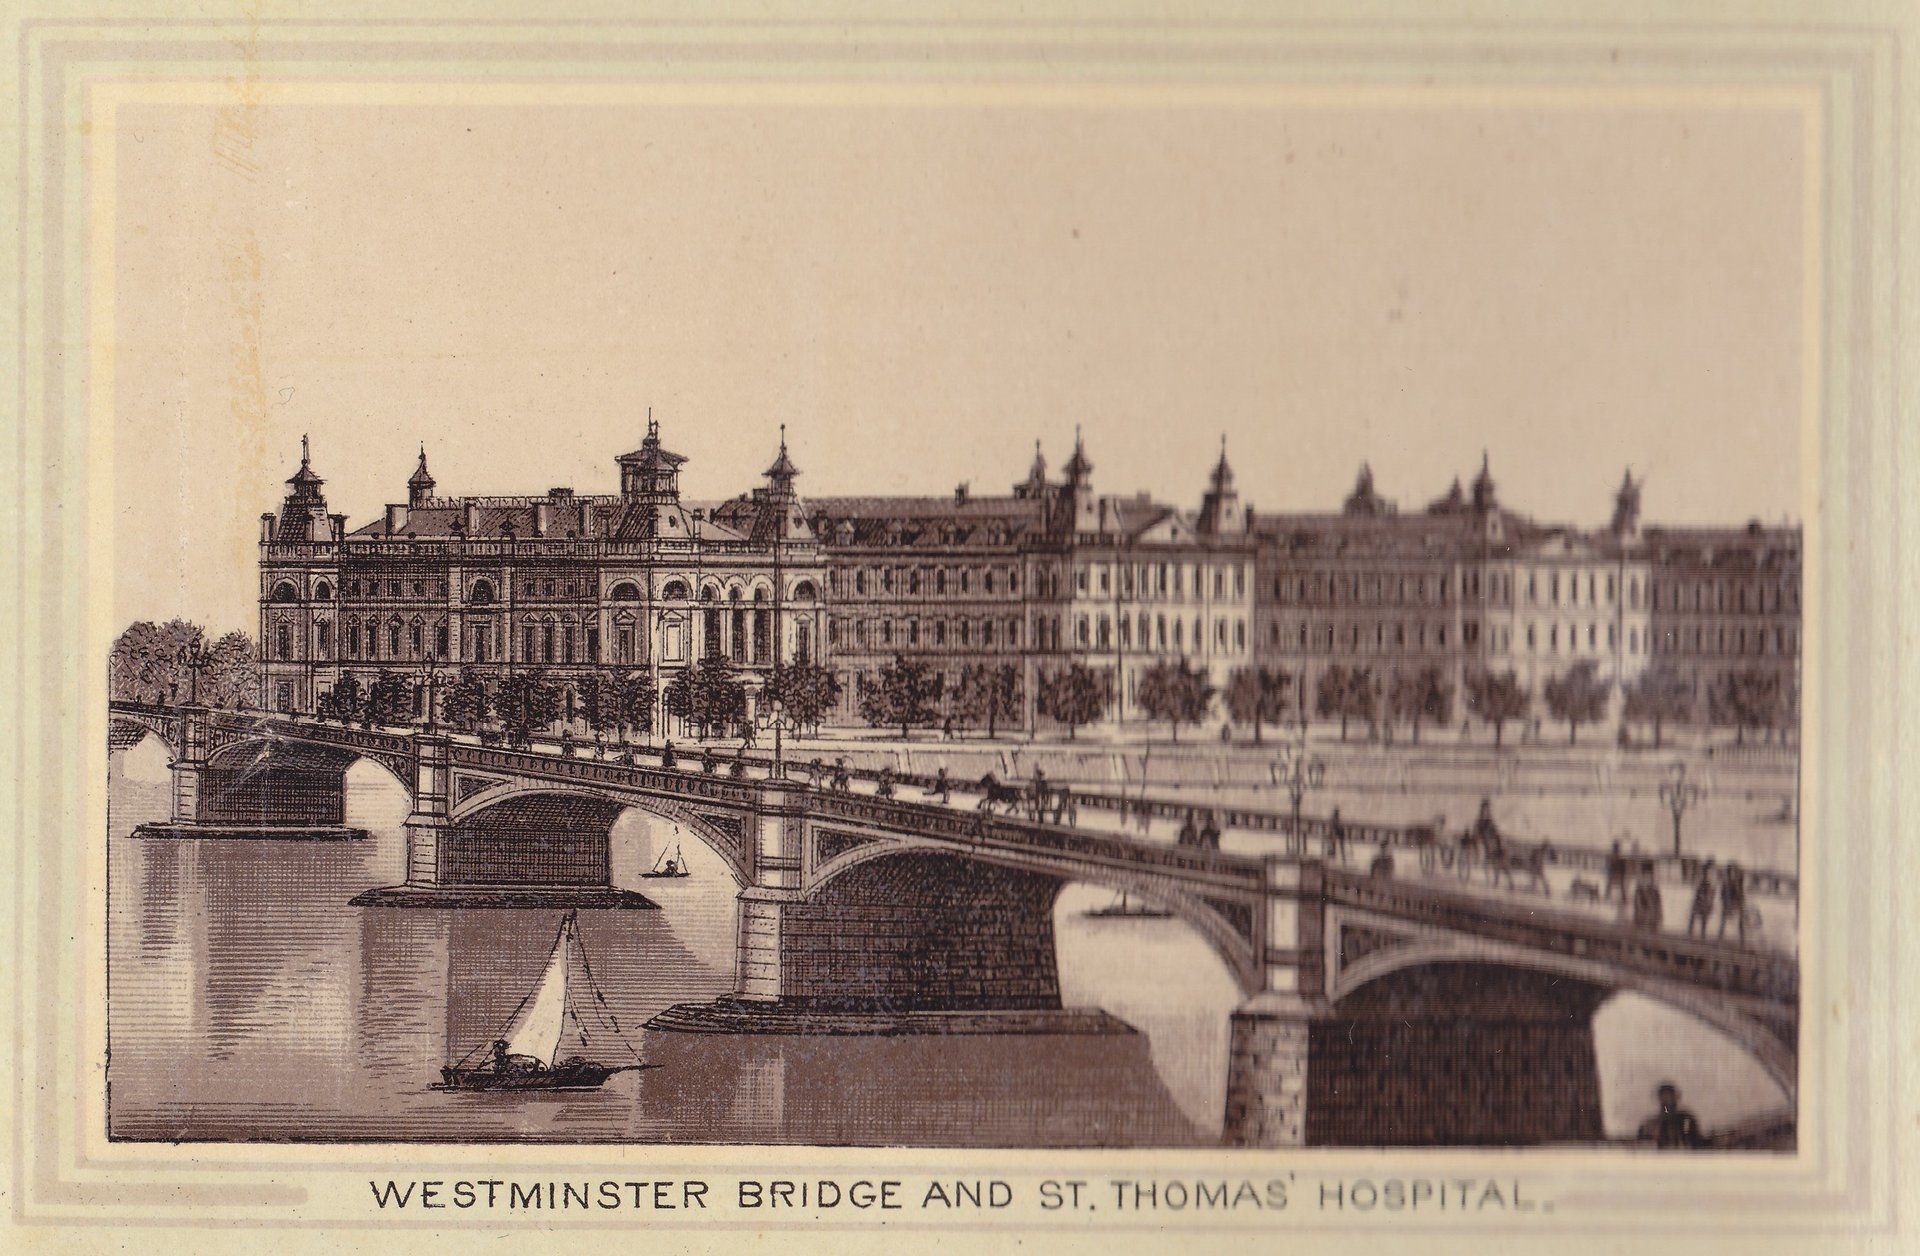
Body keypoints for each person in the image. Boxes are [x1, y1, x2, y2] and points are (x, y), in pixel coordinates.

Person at [1637, 1083, 1706, 1149]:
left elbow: (1696, 1143)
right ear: (1659, 1099)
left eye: (1670, 1096)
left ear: (1676, 1098)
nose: (1667, 1099)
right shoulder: (1649, 1125)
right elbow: (1643, 1145)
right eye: (1663, 1096)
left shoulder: (1687, 1120)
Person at [1686, 859, 1719, 938]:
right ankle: (1691, 932)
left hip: (1706, 898)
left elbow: (1712, 889)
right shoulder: (1704, 873)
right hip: (1702, 898)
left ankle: (1702, 933)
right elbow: (1700, 888)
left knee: (1704, 917)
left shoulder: (1712, 874)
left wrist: (1711, 899)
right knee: (1695, 915)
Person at [1719, 862, 1749, 943]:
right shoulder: (1726, 883)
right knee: (1723, 920)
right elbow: (1723, 894)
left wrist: (1741, 903)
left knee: (1741, 921)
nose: (1732, 874)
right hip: (1729, 902)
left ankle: (1742, 938)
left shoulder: (1739, 882)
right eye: (1731, 872)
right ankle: (1720, 937)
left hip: (1738, 902)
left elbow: (1741, 894)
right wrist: (1726, 903)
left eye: (1734, 871)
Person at [1603, 839, 1628, 905]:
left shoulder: (1614, 857)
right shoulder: (1614, 858)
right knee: (1615, 885)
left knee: (1611, 885)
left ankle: (1607, 897)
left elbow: (1622, 868)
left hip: (1615, 874)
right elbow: (1609, 867)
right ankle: (1623, 898)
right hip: (1616, 874)